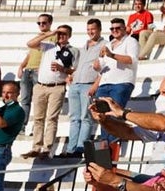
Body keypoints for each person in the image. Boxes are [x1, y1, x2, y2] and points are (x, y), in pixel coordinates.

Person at [94, 74, 165, 146]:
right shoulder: (160, 120)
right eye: (160, 93)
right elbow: (127, 132)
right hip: (154, 175)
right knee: (103, 174)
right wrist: (104, 120)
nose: (160, 97)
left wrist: (123, 113)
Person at [25, 26, 75, 158]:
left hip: (57, 86)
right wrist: (49, 34)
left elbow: (75, 70)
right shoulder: (48, 46)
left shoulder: (73, 50)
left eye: (64, 33)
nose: (61, 35)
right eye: (59, 33)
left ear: (69, 35)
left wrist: (63, 69)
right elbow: (30, 44)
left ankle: (47, 149)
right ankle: (36, 147)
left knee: (52, 118)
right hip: (41, 85)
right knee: (38, 118)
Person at [67, 19, 106, 156]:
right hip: (76, 84)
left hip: (89, 84)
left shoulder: (104, 46)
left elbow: (105, 68)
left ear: (99, 29)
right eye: (88, 29)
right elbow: (77, 65)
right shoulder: (84, 47)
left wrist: (96, 84)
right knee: (74, 118)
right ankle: (70, 149)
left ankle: (80, 148)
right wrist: (71, 75)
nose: (90, 32)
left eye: (93, 29)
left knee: (86, 117)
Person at [89, 17, 140, 111]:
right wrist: (96, 66)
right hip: (104, 84)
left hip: (121, 83)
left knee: (115, 114)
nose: (114, 30)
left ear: (125, 28)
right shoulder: (108, 45)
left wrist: (112, 55)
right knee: (101, 115)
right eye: (112, 28)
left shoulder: (131, 41)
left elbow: (131, 60)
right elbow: (102, 67)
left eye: (118, 28)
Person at [17, 14, 53, 125]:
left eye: (44, 22)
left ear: (50, 23)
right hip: (28, 70)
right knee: (24, 100)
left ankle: (37, 126)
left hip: (39, 71)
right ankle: (22, 126)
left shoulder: (53, 37)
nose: (41, 25)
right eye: (39, 23)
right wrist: (21, 66)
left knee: (39, 100)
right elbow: (30, 54)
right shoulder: (38, 37)